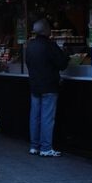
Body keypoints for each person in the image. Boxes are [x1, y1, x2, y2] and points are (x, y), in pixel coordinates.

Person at [24, 18, 69, 157]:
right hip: (49, 85)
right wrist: (65, 54)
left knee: (35, 116)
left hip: (35, 85)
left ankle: (34, 146)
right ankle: (46, 147)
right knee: (47, 117)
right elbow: (62, 64)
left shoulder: (30, 46)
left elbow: (28, 63)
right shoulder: (50, 45)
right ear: (45, 30)